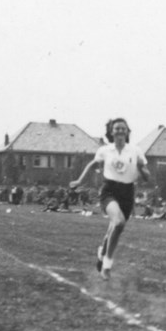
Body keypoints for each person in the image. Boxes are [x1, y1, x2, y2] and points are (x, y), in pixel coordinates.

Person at [70, 118, 151, 280]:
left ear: (127, 132)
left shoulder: (135, 151)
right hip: (110, 191)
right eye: (117, 129)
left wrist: (142, 170)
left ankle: (102, 253)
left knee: (115, 228)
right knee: (118, 222)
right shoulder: (105, 151)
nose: (120, 131)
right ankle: (106, 267)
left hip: (127, 193)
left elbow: (147, 177)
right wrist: (79, 181)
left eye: (123, 129)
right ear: (111, 132)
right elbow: (93, 165)